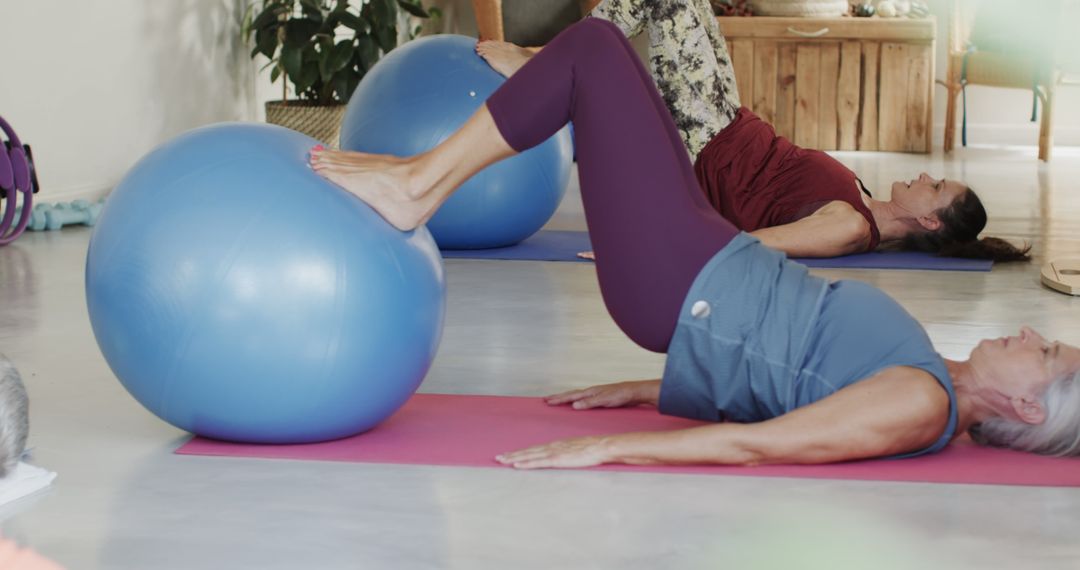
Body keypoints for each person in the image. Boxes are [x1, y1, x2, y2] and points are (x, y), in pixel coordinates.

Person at [310, 19, 1080, 469]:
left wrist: (617, 448)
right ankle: (419, 170)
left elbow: (772, 444)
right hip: (702, 262)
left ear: (1023, 404)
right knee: (611, 61)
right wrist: (655, 390)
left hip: (688, 281)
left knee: (594, 49)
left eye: (1042, 353)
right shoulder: (928, 373)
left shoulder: (922, 403)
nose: (1027, 332)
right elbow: (793, 379)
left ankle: (416, 185)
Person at [475, 0, 1030, 261]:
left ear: (929, 218)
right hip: (729, 118)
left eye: (937, 187)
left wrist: (647, 248)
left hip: (706, 143)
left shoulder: (849, 228)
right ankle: (552, 60)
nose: (928, 175)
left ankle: (544, 61)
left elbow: (747, 245)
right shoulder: (863, 203)